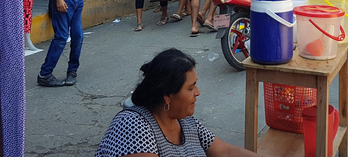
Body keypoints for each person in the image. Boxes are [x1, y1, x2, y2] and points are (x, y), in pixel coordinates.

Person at [96, 49, 260, 157]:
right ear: (167, 96)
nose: (198, 92)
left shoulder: (186, 123)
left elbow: (227, 152)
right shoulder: (133, 126)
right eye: (190, 88)